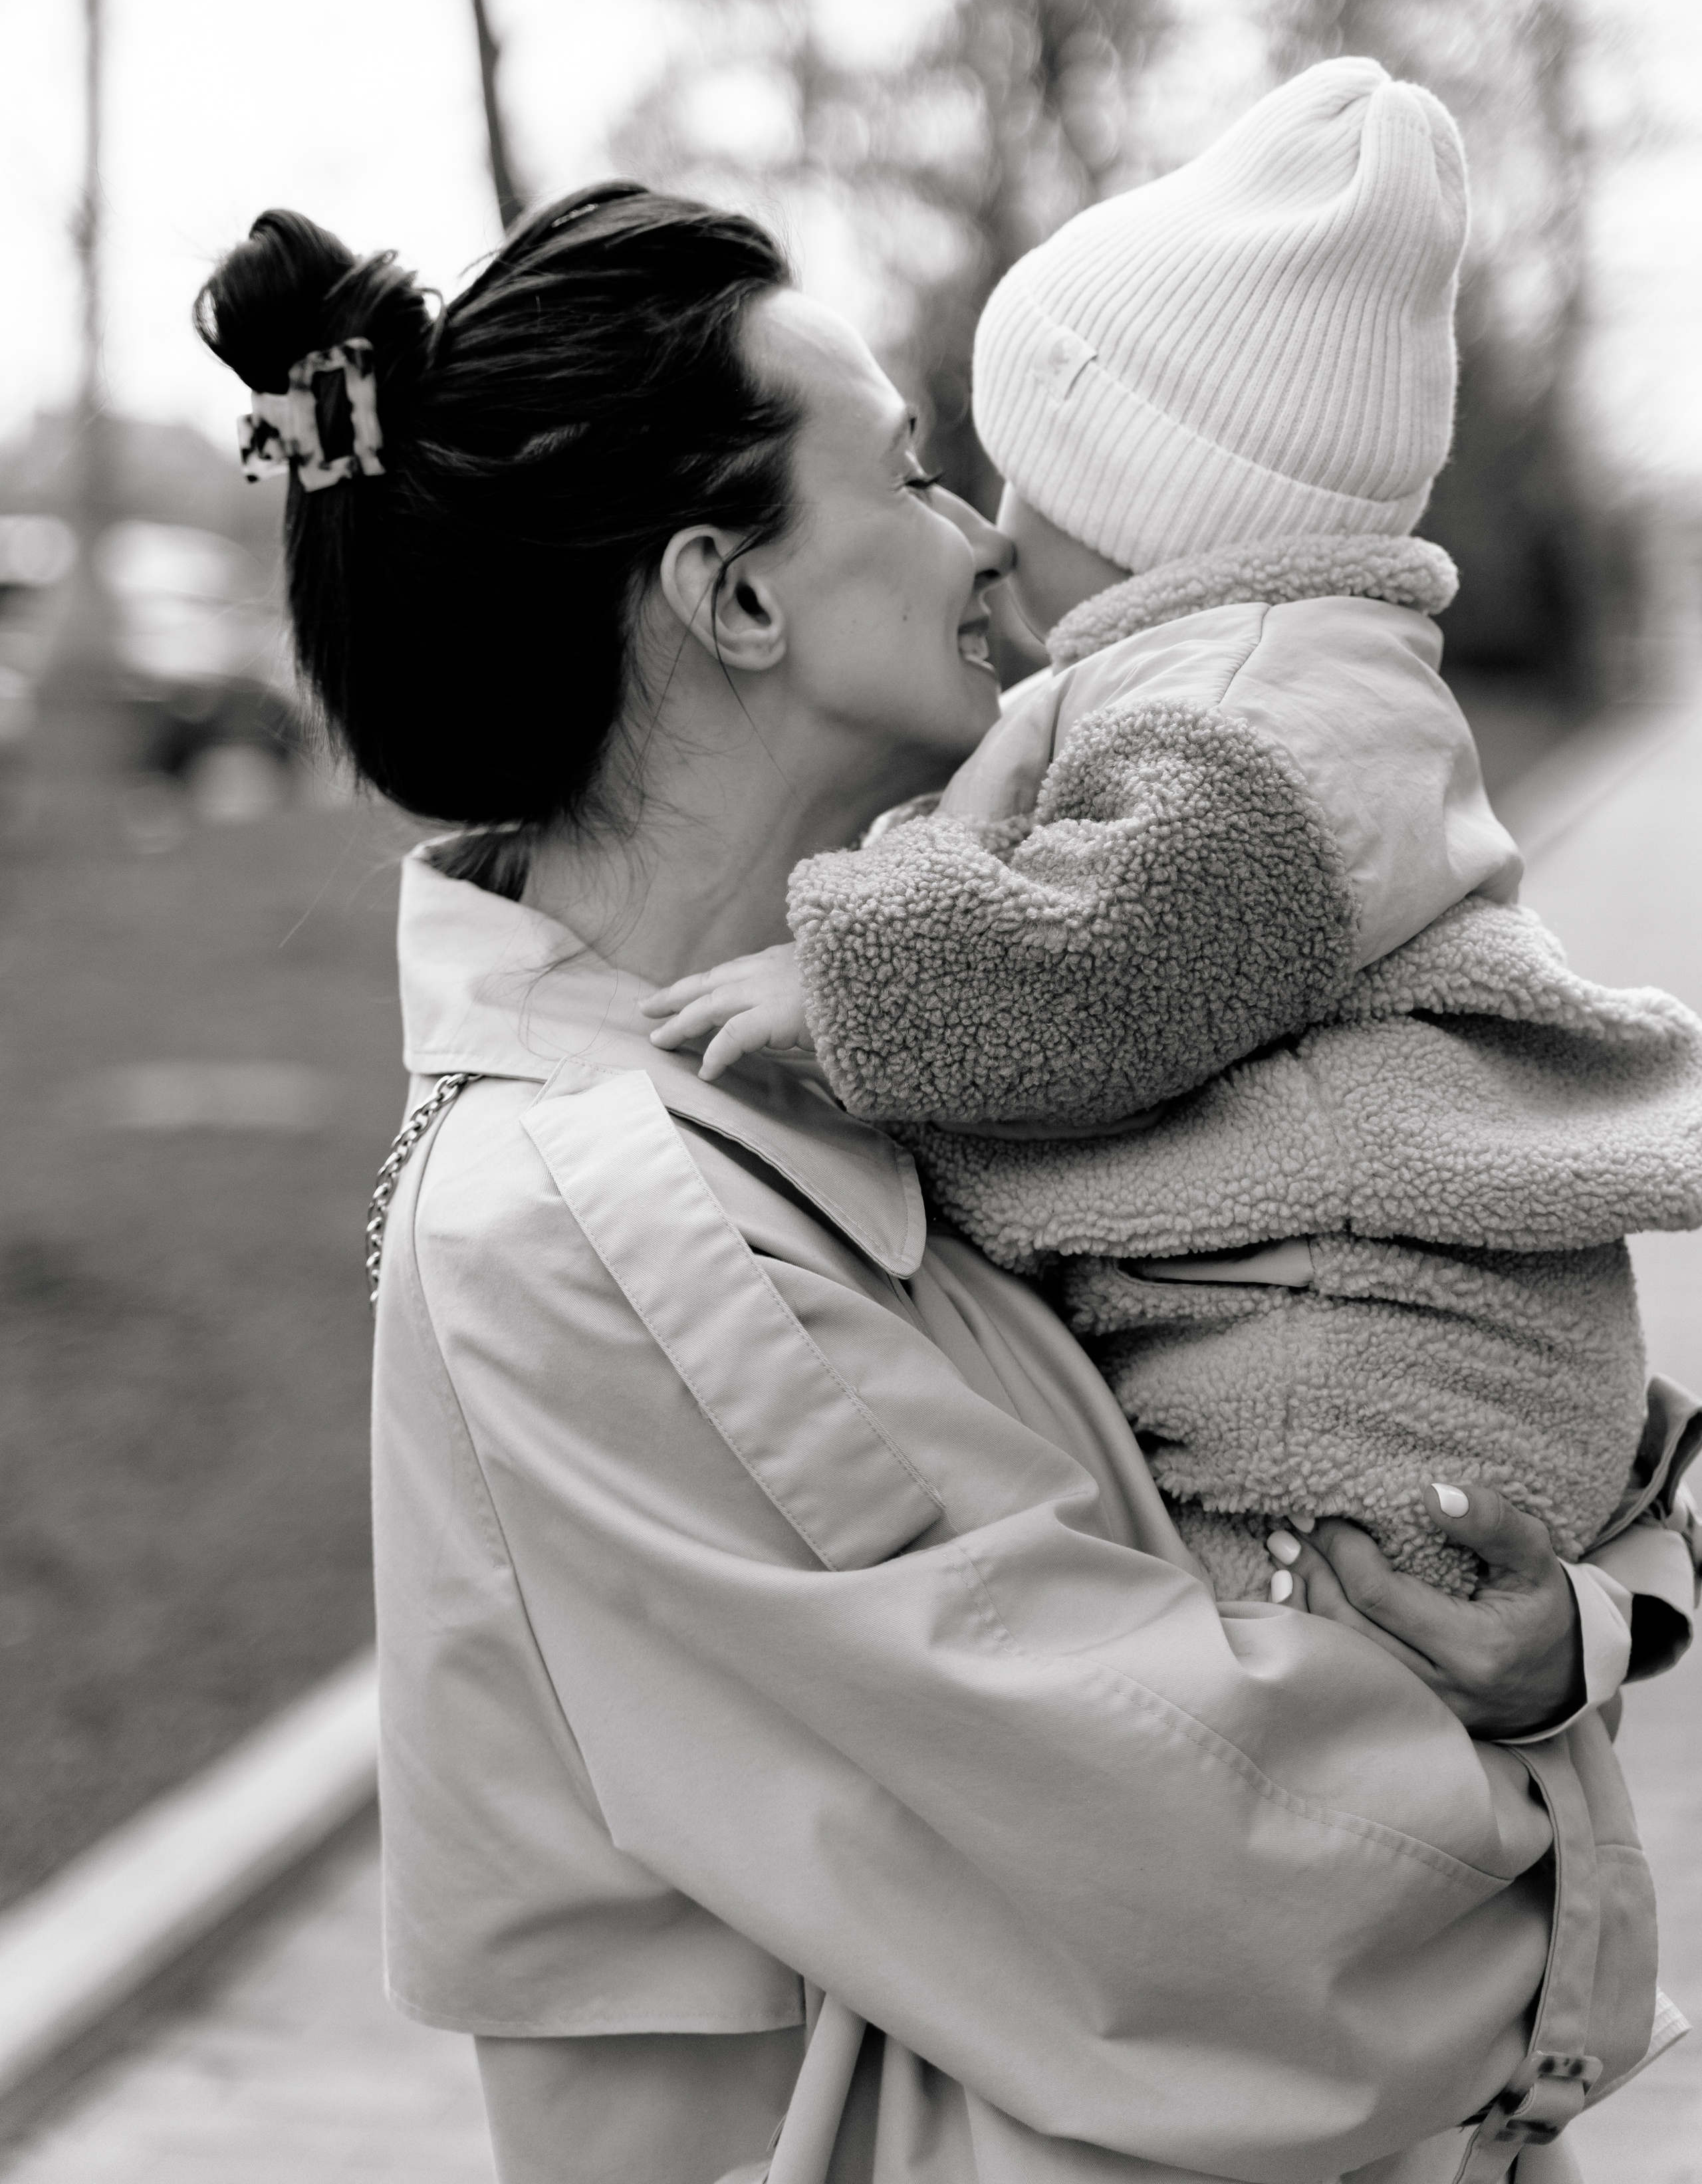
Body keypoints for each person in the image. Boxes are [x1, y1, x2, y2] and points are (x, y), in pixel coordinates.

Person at [194, 185, 1693, 2184]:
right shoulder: (609, 1222)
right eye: (904, 472)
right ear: (735, 598)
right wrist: (1554, 1773)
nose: (992, 534)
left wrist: (1588, 1612)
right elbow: (1298, 1918)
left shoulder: (898, 1055)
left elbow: (1390, 1301)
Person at [642, 61, 1702, 1608]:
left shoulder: (1242, 712)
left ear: (1137, 497)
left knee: (1190, 1661)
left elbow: (1114, 958)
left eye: (1019, 466)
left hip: (1334, 1396)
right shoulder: (1278, 677)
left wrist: (852, 984)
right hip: (1386, 1364)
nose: (990, 526)